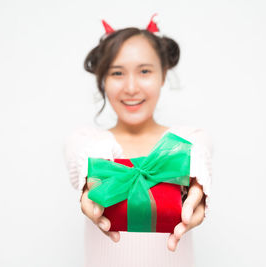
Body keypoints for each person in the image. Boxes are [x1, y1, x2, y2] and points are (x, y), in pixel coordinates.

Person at [63, 14, 214, 267]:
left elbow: (199, 155)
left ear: (163, 74)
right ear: (103, 80)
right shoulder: (84, 140)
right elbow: (84, 153)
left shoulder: (189, 139)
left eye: (144, 71)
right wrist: (94, 169)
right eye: (117, 73)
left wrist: (196, 174)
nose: (131, 87)